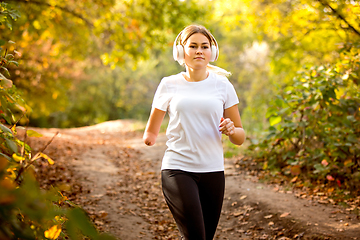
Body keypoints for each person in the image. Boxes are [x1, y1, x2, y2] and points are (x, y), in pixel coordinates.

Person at [143, 24, 245, 240]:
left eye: (205, 46)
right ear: (181, 52)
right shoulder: (169, 84)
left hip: (213, 171)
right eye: (193, 46)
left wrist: (231, 129)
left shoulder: (223, 85)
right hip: (177, 168)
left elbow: (240, 137)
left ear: (212, 52)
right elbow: (152, 127)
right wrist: (149, 137)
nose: (199, 50)